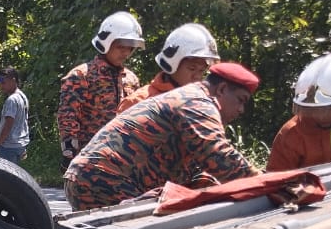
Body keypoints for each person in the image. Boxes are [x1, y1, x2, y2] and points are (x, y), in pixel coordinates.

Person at [64, 62, 261, 211]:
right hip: (105, 178)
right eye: (240, 100)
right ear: (222, 89)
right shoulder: (197, 102)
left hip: (94, 177)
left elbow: (197, 169)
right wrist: (269, 184)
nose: (241, 110)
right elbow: (219, 157)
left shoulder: (190, 98)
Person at [57, 11, 144, 160]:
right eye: (120, 46)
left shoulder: (131, 79)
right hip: (89, 158)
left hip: (123, 158)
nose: (125, 52)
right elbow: (68, 116)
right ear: (106, 43)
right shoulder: (81, 75)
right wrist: (69, 153)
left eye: (130, 47)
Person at [116, 23, 219, 113]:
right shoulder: (137, 103)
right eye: (192, 68)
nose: (197, 77)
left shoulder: (202, 105)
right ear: (172, 63)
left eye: (202, 71)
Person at [267, 53, 331, 172]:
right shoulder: (292, 133)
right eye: (313, 108)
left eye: (325, 108)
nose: (318, 115)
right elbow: (276, 178)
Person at [0, 67, 29, 163]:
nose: (0, 85)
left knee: (3, 177)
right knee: (13, 175)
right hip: (19, 144)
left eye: (3, 82)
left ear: (13, 80)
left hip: (9, 147)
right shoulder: (22, 96)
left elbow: (8, 125)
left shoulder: (12, 100)